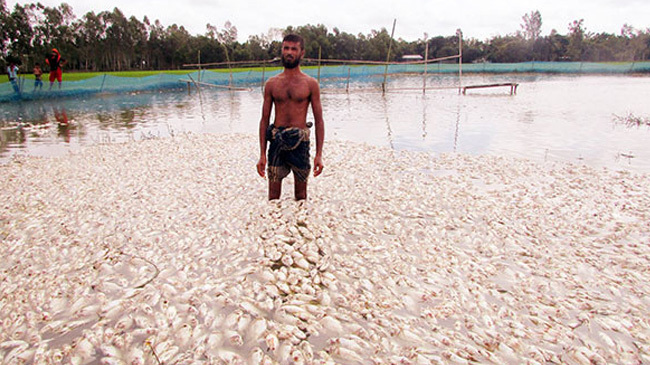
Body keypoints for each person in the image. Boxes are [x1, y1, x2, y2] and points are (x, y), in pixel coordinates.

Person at [256, 34, 325, 200]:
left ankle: (300, 223)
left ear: (302, 53)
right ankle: (273, 224)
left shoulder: (310, 84)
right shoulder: (272, 84)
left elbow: (319, 120)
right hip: (276, 143)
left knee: (301, 196)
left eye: (294, 49)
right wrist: (262, 154)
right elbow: (264, 120)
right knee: (273, 197)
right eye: (286, 48)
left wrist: (319, 154)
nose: (289, 52)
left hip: (300, 144)